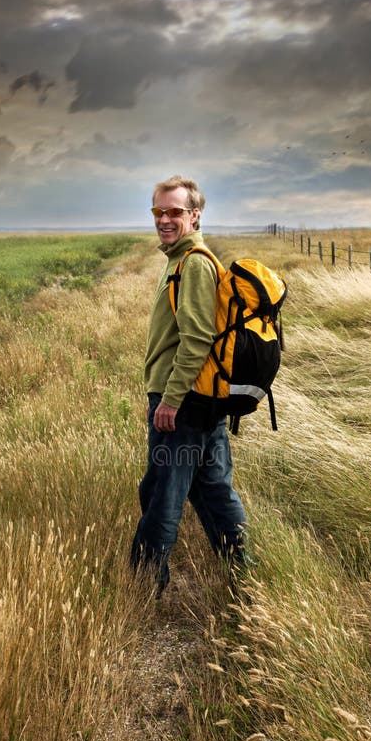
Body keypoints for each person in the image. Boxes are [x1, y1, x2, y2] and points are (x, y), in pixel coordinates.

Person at [130, 174, 247, 595]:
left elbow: (197, 338)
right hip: (200, 400)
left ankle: (145, 586)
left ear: (194, 216)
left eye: (174, 211)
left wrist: (170, 401)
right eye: (158, 211)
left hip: (183, 402)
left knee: (163, 492)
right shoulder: (180, 259)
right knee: (214, 490)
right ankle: (242, 574)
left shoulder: (193, 263)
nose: (164, 218)